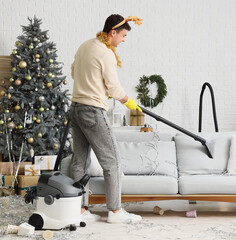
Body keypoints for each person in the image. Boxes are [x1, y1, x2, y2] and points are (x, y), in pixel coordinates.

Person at [69, 14, 143, 223]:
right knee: (113, 161)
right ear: (113, 32)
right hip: (92, 111)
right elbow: (114, 87)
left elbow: (74, 71)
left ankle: (80, 209)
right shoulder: (106, 53)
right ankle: (116, 212)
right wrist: (129, 102)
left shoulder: (85, 45)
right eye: (123, 35)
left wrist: (93, 85)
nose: (124, 40)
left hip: (75, 108)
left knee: (80, 161)